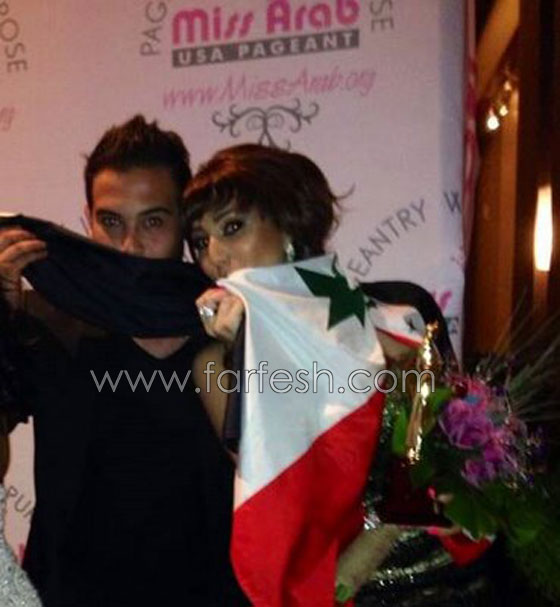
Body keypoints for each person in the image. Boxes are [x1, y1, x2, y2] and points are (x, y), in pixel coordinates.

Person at [183, 143, 493, 606]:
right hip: (349, 583)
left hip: (446, 578)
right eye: (201, 241)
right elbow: (278, 486)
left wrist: (458, 491)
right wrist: (243, 347)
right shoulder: (213, 359)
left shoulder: (396, 314)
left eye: (232, 228)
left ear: (289, 223)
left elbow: (453, 440)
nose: (215, 256)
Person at [0, 116, 246, 606]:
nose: (130, 245)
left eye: (153, 222)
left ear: (185, 222)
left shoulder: (233, 323)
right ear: (86, 219)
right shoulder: (48, 322)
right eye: (111, 222)